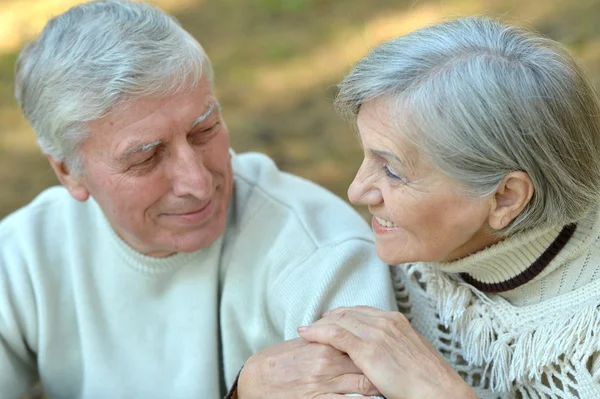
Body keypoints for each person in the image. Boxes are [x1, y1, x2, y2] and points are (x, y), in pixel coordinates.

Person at [0, 1, 398, 397]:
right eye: (146, 157)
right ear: (68, 171)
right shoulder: (24, 255)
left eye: (204, 131)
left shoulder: (321, 255)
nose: (199, 183)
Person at [236, 17, 600, 399]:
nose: (357, 191)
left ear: (505, 197)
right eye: (365, 157)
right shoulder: (396, 266)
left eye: (392, 171)